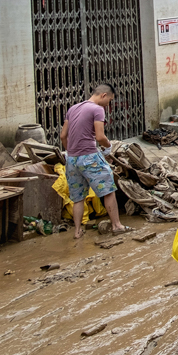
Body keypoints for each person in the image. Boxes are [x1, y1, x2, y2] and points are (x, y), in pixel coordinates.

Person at [60, 84, 130, 239]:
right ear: (103, 95)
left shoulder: (73, 109)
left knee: (78, 197)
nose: (108, 104)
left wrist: (71, 151)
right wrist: (108, 147)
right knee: (108, 190)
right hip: (89, 157)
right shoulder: (98, 109)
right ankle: (117, 226)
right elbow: (100, 137)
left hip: (71, 159)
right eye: (109, 100)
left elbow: (63, 135)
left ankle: (77, 231)